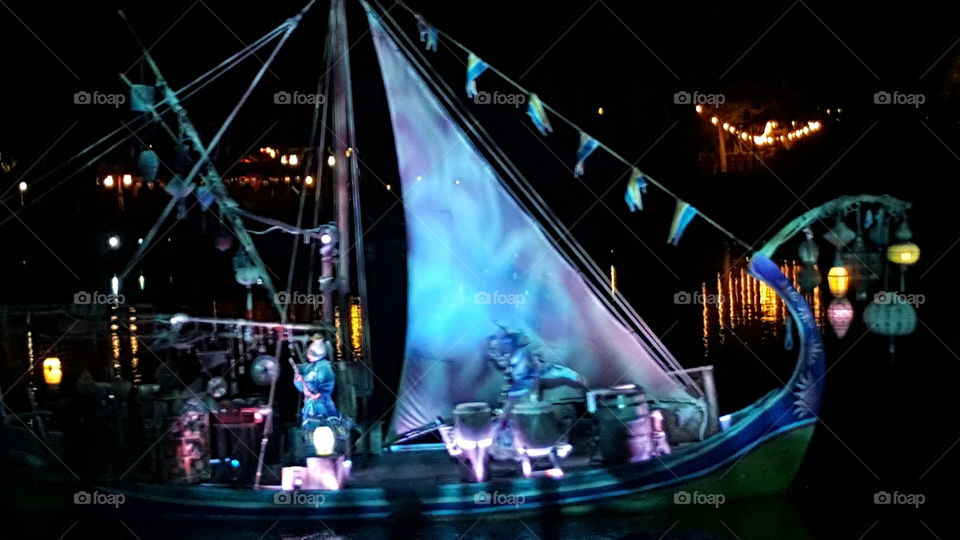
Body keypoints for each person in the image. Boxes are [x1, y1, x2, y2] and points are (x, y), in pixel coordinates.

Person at [293, 333, 350, 455]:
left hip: (322, 403)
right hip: (310, 404)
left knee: (327, 426)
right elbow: (302, 385)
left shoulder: (324, 367)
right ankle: (313, 453)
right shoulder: (308, 367)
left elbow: (327, 383)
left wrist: (318, 394)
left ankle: (334, 452)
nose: (307, 355)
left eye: (310, 354)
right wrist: (298, 380)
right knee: (311, 430)